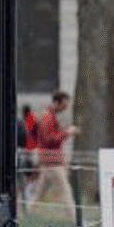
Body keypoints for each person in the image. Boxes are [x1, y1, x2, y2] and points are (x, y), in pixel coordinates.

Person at [31, 91, 79, 219]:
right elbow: (48, 139)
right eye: (64, 104)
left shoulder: (50, 115)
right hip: (51, 162)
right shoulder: (48, 117)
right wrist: (67, 133)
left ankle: (26, 214)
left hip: (49, 160)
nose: (66, 107)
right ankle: (76, 220)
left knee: (39, 194)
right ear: (57, 102)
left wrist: (64, 132)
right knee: (65, 191)